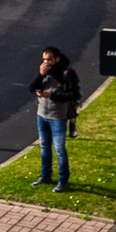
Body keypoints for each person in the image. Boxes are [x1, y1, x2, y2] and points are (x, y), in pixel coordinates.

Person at [30, 46, 81, 192]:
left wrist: (52, 96)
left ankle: (63, 180)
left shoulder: (67, 73)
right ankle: (45, 176)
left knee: (59, 149)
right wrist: (40, 75)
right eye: (44, 59)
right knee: (44, 147)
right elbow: (31, 88)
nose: (46, 62)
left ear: (57, 59)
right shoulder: (44, 72)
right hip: (42, 115)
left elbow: (74, 95)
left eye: (49, 59)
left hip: (58, 117)